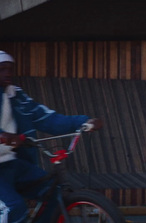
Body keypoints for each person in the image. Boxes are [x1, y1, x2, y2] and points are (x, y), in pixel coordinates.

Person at [0, 50, 103, 222]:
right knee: (14, 207)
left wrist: (85, 122)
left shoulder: (17, 96)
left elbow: (49, 118)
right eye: (2, 69)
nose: (8, 73)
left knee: (56, 194)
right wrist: (3, 135)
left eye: (10, 69)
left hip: (11, 163)